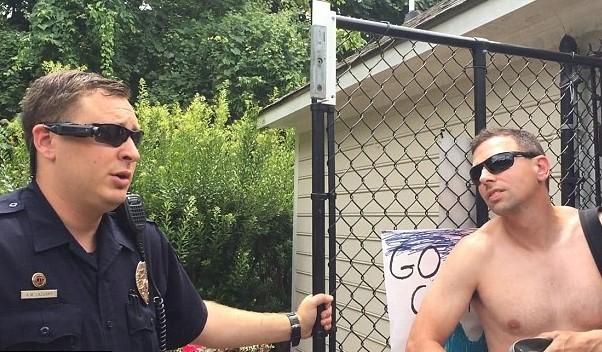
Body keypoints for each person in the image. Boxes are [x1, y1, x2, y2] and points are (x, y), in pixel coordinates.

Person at [0, 70, 333, 351]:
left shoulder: (140, 240)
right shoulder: (7, 245)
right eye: (111, 134)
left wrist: (295, 323)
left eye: (134, 138)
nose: (132, 153)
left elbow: (196, 319)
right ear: (46, 141)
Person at [406, 128, 602, 352]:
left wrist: (591, 342)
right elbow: (420, 342)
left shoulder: (596, 229)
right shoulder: (475, 253)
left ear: (541, 167)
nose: (484, 178)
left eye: (499, 162)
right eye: (476, 172)